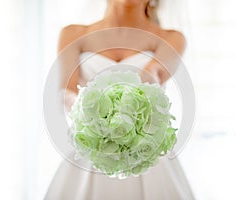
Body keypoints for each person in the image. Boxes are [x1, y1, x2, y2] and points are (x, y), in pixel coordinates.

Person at [45, 0, 194, 199]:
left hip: (145, 147)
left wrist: (127, 110)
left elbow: (154, 74)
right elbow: (66, 92)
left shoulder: (171, 38)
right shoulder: (73, 34)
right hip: (91, 143)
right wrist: (92, 117)